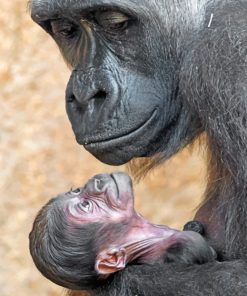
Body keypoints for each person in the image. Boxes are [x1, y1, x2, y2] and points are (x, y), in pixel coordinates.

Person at [29, 172, 216, 290]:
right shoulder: (182, 253)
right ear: (111, 259)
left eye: (76, 190)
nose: (93, 185)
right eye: (86, 205)